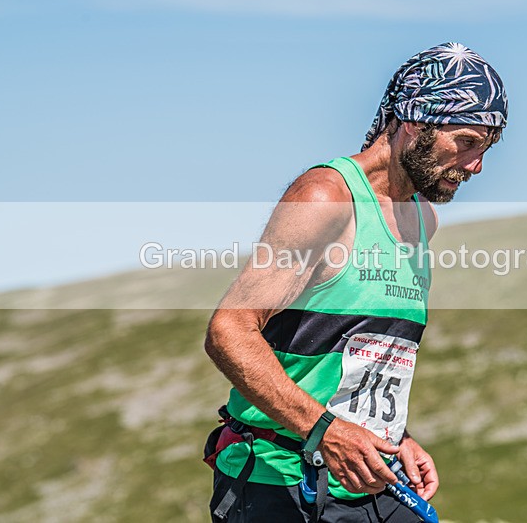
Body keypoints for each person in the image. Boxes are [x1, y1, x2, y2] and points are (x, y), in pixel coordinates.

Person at [203, 41, 508, 522]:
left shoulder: (422, 219)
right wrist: (325, 430)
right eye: (466, 142)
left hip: (366, 476)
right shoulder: (327, 196)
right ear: (413, 122)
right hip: (278, 483)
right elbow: (229, 330)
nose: (477, 166)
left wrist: (396, 436)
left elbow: (356, 350)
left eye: (487, 148)